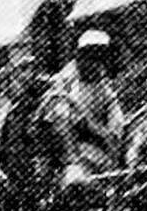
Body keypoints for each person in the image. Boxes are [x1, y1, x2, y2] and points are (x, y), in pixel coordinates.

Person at [48, 30, 126, 189]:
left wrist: (103, 131)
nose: (96, 61)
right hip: (71, 151)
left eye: (100, 55)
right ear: (80, 55)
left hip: (98, 150)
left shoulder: (102, 84)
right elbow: (61, 113)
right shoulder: (67, 79)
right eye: (90, 55)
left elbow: (115, 124)